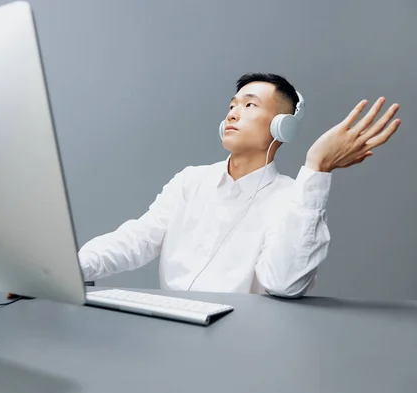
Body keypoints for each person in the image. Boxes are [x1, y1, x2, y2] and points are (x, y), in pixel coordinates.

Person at [77, 72, 401, 298]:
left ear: (282, 127)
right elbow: (137, 239)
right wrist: (71, 268)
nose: (233, 113)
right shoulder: (190, 181)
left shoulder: (293, 199)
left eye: (249, 105)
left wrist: (316, 168)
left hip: (243, 344)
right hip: (170, 330)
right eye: (232, 105)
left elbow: (284, 283)